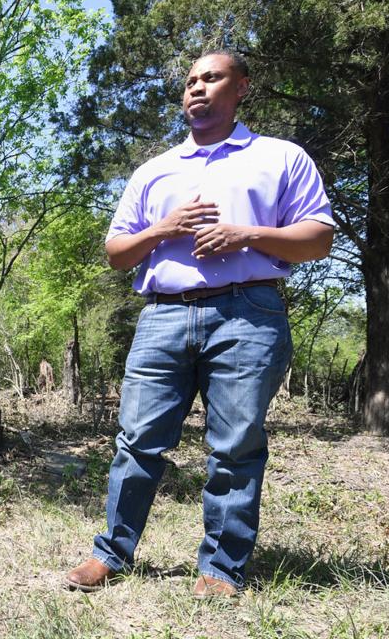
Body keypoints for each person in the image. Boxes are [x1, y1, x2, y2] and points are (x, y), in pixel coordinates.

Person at [64, 49, 334, 597]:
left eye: (211, 78)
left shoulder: (281, 158)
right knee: (137, 441)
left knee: (235, 446)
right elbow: (117, 252)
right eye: (190, 81)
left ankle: (219, 568)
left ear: (241, 88)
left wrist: (246, 234)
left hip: (248, 313)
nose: (196, 89)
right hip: (163, 315)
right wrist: (163, 228)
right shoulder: (154, 171)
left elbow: (320, 238)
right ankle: (111, 554)